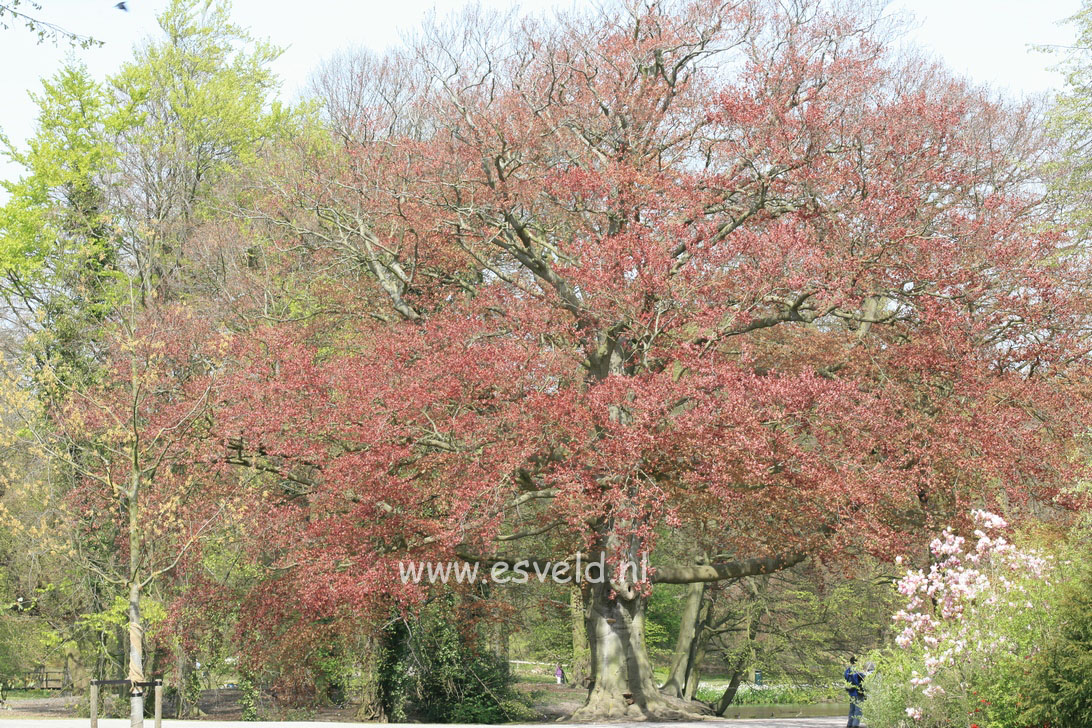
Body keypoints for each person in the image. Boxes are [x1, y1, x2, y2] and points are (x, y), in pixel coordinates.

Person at [844, 656, 865, 728]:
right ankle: (855, 725)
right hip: (858, 692)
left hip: (851, 692)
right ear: (857, 662)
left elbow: (846, 679)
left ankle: (849, 724)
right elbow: (864, 678)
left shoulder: (847, 671)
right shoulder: (858, 671)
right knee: (858, 710)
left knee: (852, 710)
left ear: (850, 662)